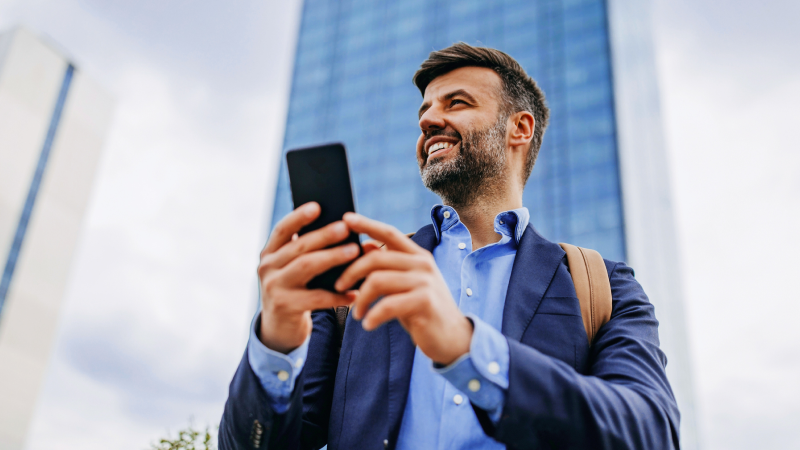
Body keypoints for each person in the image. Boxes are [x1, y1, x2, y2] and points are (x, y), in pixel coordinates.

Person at [219, 43, 680, 450]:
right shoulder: (363, 278)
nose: (428, 120)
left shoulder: (601, 285)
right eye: (424, 110)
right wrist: (275, 343)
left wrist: (467, 347)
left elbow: (649, 433)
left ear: (520, 128)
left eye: (456, 103)